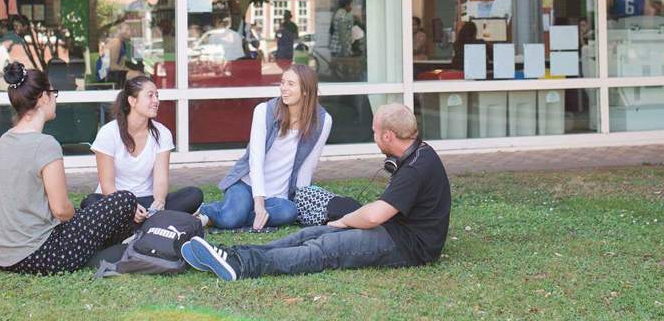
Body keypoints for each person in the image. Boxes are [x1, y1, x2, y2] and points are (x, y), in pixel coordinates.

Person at [180, 103, 451, 281]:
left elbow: (374, 217)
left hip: (407, 246)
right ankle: (232, 254)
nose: (374, 137)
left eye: (375, 133)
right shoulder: (417, 155)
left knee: (322, 248)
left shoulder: (415, 168)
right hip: (393, 230)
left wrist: (344, 221)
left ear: (389, 136)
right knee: (309, 233)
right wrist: (342, 222)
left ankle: (242, 266)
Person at [0, 62, 146, 275]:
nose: (55, 99)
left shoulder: (5, 139)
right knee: (124, 200)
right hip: (39, 254)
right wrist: (80, 218)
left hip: (2, 256)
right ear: (43, 97)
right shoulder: (45, 145)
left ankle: (105, 244)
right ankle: (111, 248)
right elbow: (61, 211)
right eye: (53, 93)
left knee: (91, 209)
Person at [197, 64, 332, 230]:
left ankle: (236, 212)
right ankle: (208, 212)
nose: (284, 88)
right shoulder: (264, 111)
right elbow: (256, 160)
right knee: (230, 219)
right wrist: (259, 204)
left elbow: (307, 167)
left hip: (278, 195)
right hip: (247, 185)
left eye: (291, 84)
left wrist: (300, 201)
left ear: (306, 90)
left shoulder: (323, 121)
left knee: (289, 212)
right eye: (282, 83)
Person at [81, 76, 204, 213]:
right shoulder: (108, 133)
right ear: (132, 101)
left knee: (193, 194)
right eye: (150, 96)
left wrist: (159, 202)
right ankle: (151, 222)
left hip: (148, 200)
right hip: (116, 201)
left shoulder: (162, 133)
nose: (156, 101)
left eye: (157, 96)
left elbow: (160, 180)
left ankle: (145, 221)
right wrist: (129, 209)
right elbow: (107, 186)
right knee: (90, 202)